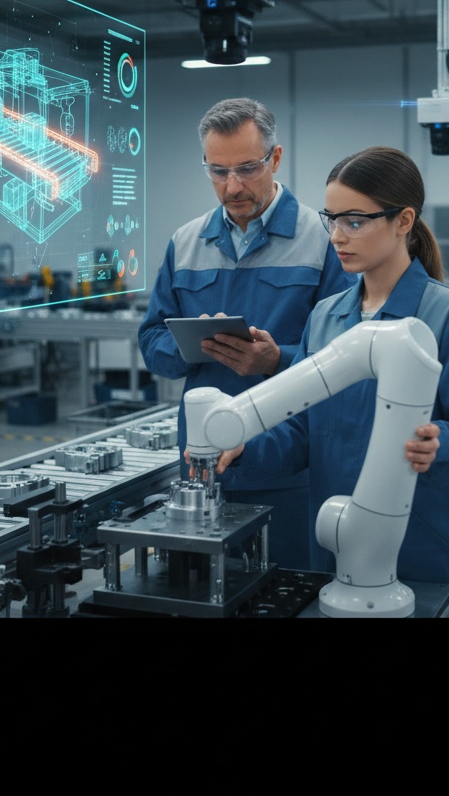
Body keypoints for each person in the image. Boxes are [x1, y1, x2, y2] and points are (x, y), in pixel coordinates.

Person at [211, 146, 449, 618]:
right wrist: (246, 445)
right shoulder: (327, 316)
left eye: (354, 221)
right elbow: (301, 432)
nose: (336, 236)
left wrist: (442, 445)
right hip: (339, 553)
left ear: (403, 220)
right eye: (331, 219)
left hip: (425, 551)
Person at [137, 97, 356, 569]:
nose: (232, 186)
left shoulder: (325, 241)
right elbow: (151, 341)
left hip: (290, 465)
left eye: (247, 168)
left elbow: (349, 356)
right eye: (217, 171)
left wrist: (277, 361)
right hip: (200, 465)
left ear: (276, 159)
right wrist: (190, 346)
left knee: (288, 591)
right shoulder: (186, 241)